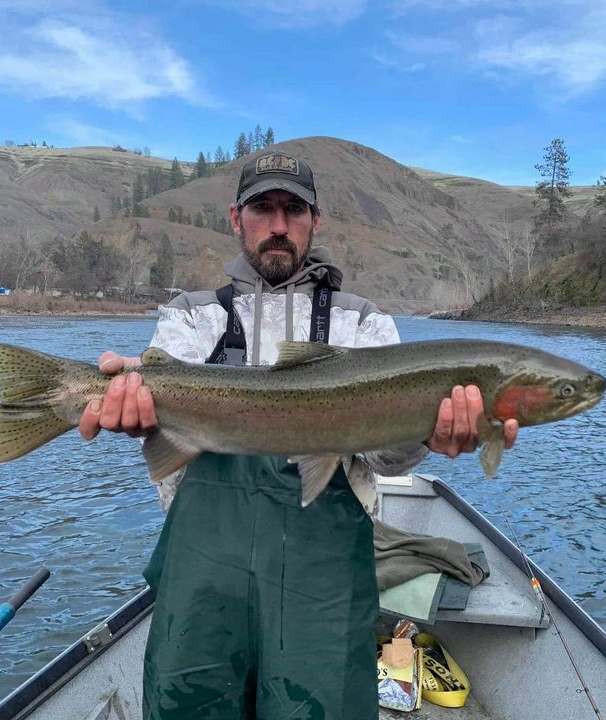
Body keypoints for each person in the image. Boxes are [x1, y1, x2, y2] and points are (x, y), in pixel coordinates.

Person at [78, 152, 518, 719]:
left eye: (293, 210)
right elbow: (162, 416)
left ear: (316, 220)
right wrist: (126, 403)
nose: (279, 225)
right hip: (204, 580)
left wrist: (429, 435)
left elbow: (386, 461)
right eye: (264, 209)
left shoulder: (363, 324)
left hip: (323, 584)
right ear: (237, 219)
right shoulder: (191, 319)